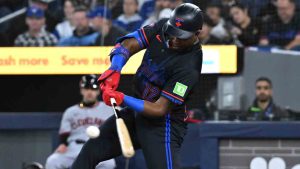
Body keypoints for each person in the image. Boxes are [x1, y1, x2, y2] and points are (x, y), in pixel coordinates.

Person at [72, 3, 203, 169]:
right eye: (173, 33)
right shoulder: (164, 26)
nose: (174, 39)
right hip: (135, 114)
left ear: (197, 33)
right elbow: (128, 44)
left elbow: (159, 109)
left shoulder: (189, 66)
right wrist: (115, 68)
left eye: (181, 36)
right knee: (91, 150)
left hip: (163, 126)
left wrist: (121, 98)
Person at [45, 75, 116, 169]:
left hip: (99, 147)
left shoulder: (109, 109)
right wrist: (62, 144)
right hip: (74, 148)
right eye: (86, 88)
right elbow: (64, 136)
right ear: (81, 90)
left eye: (93, 88)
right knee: (52, 162)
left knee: (109, 164)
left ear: (98, 91)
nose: (90, 92)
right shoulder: (71, 111)